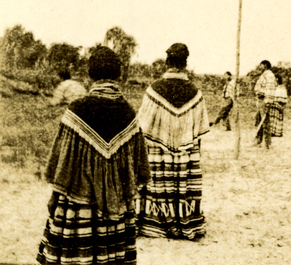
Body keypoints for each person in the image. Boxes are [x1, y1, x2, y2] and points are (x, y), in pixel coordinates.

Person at [37, 47, 150, 265]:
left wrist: (54, 196)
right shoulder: (128, 112)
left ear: (90, 74)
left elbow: (62, 162)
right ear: (118, 74)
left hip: (79, 204)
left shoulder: (77, 109)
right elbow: (139, 167)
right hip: (115, 210)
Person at [136, 43, 210, 240]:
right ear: (185, 63)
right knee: (184, 185)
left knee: (157, 182)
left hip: (157, 155)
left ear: (167, 62)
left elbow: (141, 128)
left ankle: (155, 223)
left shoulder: (154, 90)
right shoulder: (196, 93)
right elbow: (198, 134)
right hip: (185, 154)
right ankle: (184, 219)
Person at [253, 60, 277, 149]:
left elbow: (270, 89)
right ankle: (258, 141)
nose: (260, 67)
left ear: (265, 65)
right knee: (258, 120)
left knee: (265, 122)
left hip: (264, 100)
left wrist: (268, 102)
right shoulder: (264, 75)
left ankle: (267, 144)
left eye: (261, 65)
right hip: (260, 100)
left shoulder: (270, 75)